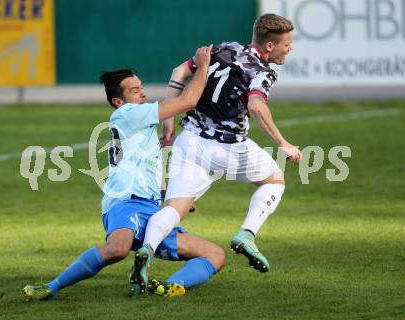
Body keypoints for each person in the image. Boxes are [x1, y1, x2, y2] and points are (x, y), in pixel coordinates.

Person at [22, 45, 225, 300]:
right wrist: (203, 65)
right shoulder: (129, 113)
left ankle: (163, 286)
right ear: (119, 101)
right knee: (117, 249)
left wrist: (171, 194)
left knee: (216, 255)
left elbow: (140, 165)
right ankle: (51, 287)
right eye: (135, 90)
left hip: (151, 210)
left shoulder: (139, 124)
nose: (143, 93)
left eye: (141, 87)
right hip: (126, 202)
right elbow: (188, 101)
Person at [130, 14, 302, 291]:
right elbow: (257, 106)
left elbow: (178, 72)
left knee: (175, 209)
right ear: (269, 46)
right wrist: (283, 142)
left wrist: (169, 120)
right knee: (274, 180)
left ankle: (147, 250)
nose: (290, 49)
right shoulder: (263, 71)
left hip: (189, 141)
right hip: (228, 148)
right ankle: (246, 234)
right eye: (287, 44)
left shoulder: (225, 48)